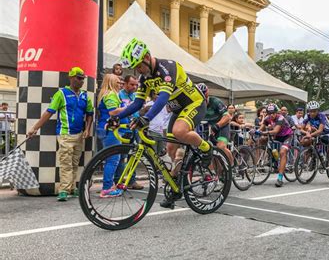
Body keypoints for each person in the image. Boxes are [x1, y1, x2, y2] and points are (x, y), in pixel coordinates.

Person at [108, 38, 210, 209]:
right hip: (177, 109)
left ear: (147, 57)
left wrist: (146, 119)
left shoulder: (168, 67)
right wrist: (117, 117)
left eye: (139, 66)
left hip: (194, 103)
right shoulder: (144, 78)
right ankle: (176, 185)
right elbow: (137, 103)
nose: (138, 70)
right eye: (135, 67)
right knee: (171, 149)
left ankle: (207, 149)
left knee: (179, 131)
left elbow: (162, 97)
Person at [27, 67, 93, 201]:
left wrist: (87, 129)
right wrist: (35, 128)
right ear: (71, 77)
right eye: (78, 78)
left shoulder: (85, 95)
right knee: (65, 163)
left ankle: (72, 188)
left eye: (82, 79)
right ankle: (63, 189)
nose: (81, 81)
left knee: (75, 162)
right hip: (65, 134)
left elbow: (90, 114)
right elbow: (49, 112)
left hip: (79, 134)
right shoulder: (61, 94)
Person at [96, 74, 130, 197]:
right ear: (111, 82)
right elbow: (113, 111)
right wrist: (128, 107)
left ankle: (109, 185)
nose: (120, 83)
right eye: (117, 81)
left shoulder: (107, 94)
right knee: (113, 160)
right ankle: (107, 188)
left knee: (111, 159)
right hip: (111, 130)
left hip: (106, 129)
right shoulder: (111, 94)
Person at [301, 101, 329, 187]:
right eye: (310, 111)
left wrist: (309, 134)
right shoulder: (307, 116)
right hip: (318, 134)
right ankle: (315, 159)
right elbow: (301, 128)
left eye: (314, 111)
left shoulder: (321, 116)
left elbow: (320, 130)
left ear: (318, 111)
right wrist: (306, 133)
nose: (312, 113)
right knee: (309, 144)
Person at [256, 104, 293, 188]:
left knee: (283, 152)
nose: (271, 115)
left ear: (276, 113)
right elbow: (261, 128)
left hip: (286, 136)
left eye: (273, 113)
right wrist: (255, 131)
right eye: (269, 113)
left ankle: (280, 178)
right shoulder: (267, 118)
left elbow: (275, 131)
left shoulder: (280, 118)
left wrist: (264, 133)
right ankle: (271, 157)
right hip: (276, 136)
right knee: (262, 139)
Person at [143, 91, 172, 156]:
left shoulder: (165, 105)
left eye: (158, 94)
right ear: (152, 95)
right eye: (154, 94)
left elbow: (166, 120)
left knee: (161, 153)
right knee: (152, 153)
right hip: (152, 132)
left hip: (161, 133)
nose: (157, 96)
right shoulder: (149, 104)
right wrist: (145, 109)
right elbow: (141, 114)